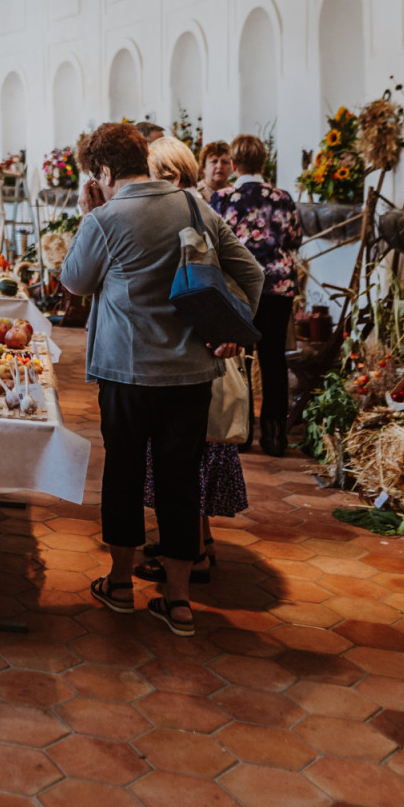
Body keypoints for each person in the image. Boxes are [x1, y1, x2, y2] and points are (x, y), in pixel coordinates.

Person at [59, 122, 263, 636]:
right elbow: (253, 274)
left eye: (96, 177)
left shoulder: (105, 218)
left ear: (102, 172)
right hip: (192, 373)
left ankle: (122, 586)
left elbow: (74, 281)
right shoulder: (197, 208)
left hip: (125, 372)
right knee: (180, 480)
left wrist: (88, 216)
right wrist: (232, 334)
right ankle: (178, 602)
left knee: (123, 474)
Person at [137, 137, 250, 583]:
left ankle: (194, 555)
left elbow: (216, 281)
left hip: (193, 355)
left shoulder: (189, 214)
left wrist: (228, 333)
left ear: (166, 174)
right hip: (200, 351)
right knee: (188, 460)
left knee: (185, 463)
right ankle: (192, 543)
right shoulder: (198, 207)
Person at [209, 133, 303, 457]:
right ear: (265, 163)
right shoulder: (282, 197)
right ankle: (276, 436)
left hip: (239, 288)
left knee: (240, 357)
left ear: (233, 165)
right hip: (278, 286)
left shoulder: (221, 199)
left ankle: (244, 431)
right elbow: (294, 238)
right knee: (273, 357)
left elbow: (212, 242)